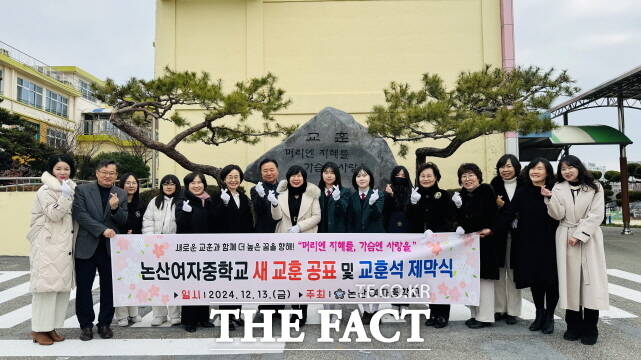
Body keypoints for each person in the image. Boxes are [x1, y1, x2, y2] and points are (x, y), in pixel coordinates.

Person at [544, 155, 609, 345]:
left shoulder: (595, 187)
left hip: (589, 238)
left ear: (578, 167)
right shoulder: (558, 187)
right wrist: (549, 199)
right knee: (569, 281)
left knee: (590, 282)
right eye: (563, 169)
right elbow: (558, 215)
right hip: (564, 234)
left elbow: (597, 214)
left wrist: (579, 235)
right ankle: (573, 326)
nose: (567, 171)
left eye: (570, 167)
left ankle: (590, 328)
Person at [500, 158, 559, 334]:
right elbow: (509, 214)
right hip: (528, 241)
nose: (535, 172)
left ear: (547, 172)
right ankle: (539, 313)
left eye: (539, 169)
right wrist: (490, 230)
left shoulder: (556, 189)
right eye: (532, 168)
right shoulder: (523, 191)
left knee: (551, 280)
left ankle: (550, 316)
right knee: (536, 280)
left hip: (552, 241)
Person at [72, 160, 128, 341]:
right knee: (84, 288)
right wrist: (101, 230)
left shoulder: (120, 193)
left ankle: (105, 324)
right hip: (87, 246)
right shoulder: (82, 190)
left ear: (116, 175)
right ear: (97, 173)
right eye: (104, 172)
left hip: (110, 248)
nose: (107, 175)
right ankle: (86, 325)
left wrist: (114, 208)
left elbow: (123, 220)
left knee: (109, 288)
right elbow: (80, 215)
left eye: (111, 173)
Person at [27, 154, 77, 345]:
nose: (63, 172)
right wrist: (65, 197)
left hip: (64, 246)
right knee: (45, 289)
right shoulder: (46, 190)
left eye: (66, 169)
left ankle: (51, 327)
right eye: (58, 169)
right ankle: (38, 329)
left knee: (60, 290)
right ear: (51, 170)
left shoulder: (71, 188)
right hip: (48, 244)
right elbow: (54, 214)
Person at [407, 162, 461, 329]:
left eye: (429, 175)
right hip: (421, 245)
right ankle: (432, 312)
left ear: (436, 177)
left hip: (440, 244)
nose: (426, 179)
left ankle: (443, 314)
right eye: (422, 176)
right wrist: (413, 204)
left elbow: (452, 217)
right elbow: (409, 218)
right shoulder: (415, 195)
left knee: (441, 278)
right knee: (429, 279)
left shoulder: (444, 195)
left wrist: (458, 206)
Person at [270, 165, 321, 326]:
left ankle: (302, 312)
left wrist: (300, 227)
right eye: (293, 175)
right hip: (285, 239)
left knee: (303, 277)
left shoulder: (312, 195)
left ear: (304, 178)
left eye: (299, 176)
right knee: (290, 276)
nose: (296, 178)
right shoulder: (282, 194)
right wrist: (274, 204)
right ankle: (294, 310)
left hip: (305, 239)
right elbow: (276, 217)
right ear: (288, 177)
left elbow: (317, 216)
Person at [454, 163, 499, 329]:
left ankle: (485, 316)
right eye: (464, 176)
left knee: (484, 280)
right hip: (468, 244)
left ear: (478, 177)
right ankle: (474, 314)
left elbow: (487, 215)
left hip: (485, 241)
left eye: (471, 175)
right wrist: (458, 208)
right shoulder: (460, 196)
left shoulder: (486, 190)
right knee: (471, 280)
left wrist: (489, 229)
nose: (467, 179)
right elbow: (460, 220)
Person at [175, 172, 217, 332]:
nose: (196, 185)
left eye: (199, 182)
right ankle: (189, 320)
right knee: (191, 283)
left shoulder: (208, 200)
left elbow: (214, 222)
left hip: (206, 249)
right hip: (189, 250)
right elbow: (180, 224)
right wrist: (185, 212)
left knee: (204, 283)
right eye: (192, 183)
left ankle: (203, 317)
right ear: (187, 185)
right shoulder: (182, 201)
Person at [216, 164, 254, 330]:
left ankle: (236, 314)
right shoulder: (218, 197)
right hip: (225, 247)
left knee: (239, 281)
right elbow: (214, 219)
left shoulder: (244, 198)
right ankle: (226, 317)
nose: (233, 180)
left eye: (236, 177)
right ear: (224, 179)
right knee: (226, 282)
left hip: (242, 246)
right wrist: (223, 204)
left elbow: (248, 222)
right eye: (230, 177)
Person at [347, 165, 384, 324]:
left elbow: (378, 214)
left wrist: (372, 203)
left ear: (370, 178)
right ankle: (365, 310)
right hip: (357, 244)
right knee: (360, 278)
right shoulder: (352, 197)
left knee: (375, 277)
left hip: (375, 243)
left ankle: (374, 310)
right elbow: (349, 220)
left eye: (365, 175)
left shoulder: (378, 195)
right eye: (358, 176)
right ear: (355, 180)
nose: (362, 178)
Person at [142, 174, 182, 326]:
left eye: (172, 184)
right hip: (156, 248)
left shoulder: (181, 201)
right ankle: (159, 314)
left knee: (174, 281)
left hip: (175, 248)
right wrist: (151, 239)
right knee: (157, 281)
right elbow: (147, 221)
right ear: (162, 186)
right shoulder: (154, 201)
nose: (169, 186)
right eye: (165, 184)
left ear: (176, 186)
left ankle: (175, 314)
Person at [490, 154, 523, 325]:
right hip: (499, 234)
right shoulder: (494, 185)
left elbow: (524, 210)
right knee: (499, 271)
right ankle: (498, 309)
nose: (505, 169)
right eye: (502, 166)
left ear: (516, 167)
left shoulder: (524, 185)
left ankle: (513, 311)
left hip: (519, 235)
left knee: (513, 272)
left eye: (509, 166)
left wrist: (504, 206)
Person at [250, 159, 283, 321]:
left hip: (282, 234)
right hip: (264, 234)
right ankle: (264, 307)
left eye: (272, 170)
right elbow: (259, 209)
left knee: (281, 271)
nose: (269, 173)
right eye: (265, 171)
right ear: (261, 173)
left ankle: (279, 307)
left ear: (277, 171)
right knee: (265, 273)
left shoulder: (284, 188)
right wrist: (263, 197)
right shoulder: (256, 189)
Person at [317, 162, 351, 320]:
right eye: (325, 172)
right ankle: (326, 309)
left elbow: (344, 212)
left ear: (336, 175)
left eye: (332, 172)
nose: (328, 175)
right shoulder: (317, 192)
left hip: (338, 240)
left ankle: (335, 310)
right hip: (321, 240)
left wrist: (337, 201)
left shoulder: (345, 192)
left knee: (336, 276)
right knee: (324, 276)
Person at [114, 173, 144, 327]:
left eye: (134, 183)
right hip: (118, 246)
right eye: (128, 182)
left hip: (136, 246)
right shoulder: (116, 202)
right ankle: (121, 315)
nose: (131, 185)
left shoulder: (141, 203)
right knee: (120, 281)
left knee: (134, 280)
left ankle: (134, 312)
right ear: (121, 185)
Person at [383, 166, 412, 233]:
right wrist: (390, 195)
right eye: (397, 175)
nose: (400, 177)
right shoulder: (388, 190)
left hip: (407, 228)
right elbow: (386, 211)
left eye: (403, 175)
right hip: (391, 226)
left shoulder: (411, 191)